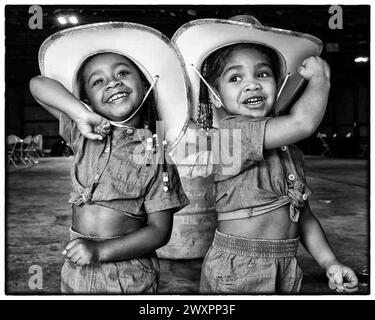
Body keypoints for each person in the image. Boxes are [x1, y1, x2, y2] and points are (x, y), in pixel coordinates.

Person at [173, 16, 358, 294]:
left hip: (285, 264)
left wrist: (329, 262)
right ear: (214, 96)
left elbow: (303, 215)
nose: (252, 84)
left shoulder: (289, 150)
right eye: (235, 78)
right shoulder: (230, 135)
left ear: (279, 84)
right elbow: (303, 123)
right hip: (240, 269)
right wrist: (321, 80)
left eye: (262, 74)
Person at [29, 22, 190, 294]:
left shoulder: (155, 155)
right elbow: (37, 84)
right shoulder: (81, 134)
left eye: (123, 73)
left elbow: (159, 232)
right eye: (98, 81)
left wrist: (101, 250)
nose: (113, 82)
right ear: (87, 99)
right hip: (76, 268)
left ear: (145, 84)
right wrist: (80, 115)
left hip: (127, 276)